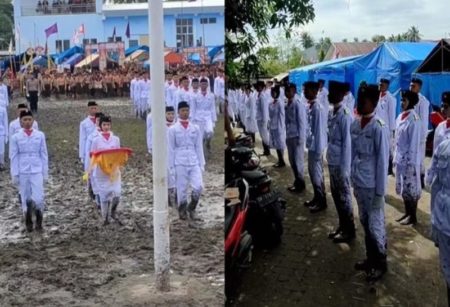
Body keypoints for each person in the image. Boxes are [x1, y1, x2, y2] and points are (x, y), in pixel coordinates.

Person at [351, 84, 389, 282]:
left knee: (376, 225)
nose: (359, 103)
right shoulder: (356, 124)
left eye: (363, 101)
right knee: (365, 222)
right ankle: (370, 258)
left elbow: (383, 161)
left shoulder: (378, 126)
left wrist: (380, 193)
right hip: (360, 181)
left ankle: (381, 262)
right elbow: (353, 153)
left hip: (373, 185)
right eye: (358, 99)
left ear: (373, 103)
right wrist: (351, 176)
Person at [10, 110, 48, 232]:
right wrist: (15, 173)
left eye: (29, 119)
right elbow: (14, 156)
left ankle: (39, 218)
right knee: (25, 197)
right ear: (20, 122)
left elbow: (43, 154)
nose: (27, 122)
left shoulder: (40, 135)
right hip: (23, 170)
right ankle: (28, 219)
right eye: (24, 120)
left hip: (36, 169)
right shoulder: (16, 137)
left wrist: (45, 172)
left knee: (38, 197)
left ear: (33, 120)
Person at [326, 81, 355, 243]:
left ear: (342, 94)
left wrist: (345, 170)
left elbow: (348, 145)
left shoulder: (345, 115)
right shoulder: (332, 112)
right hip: (332, 160)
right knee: (336, 195)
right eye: (330, 92)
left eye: (334, 92)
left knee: (344, 197)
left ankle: (349, 230)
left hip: (341, 164)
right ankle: (342, 225)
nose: (330, 95)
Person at [168, 101, 205, 220]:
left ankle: (192, 208)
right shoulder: (173, 129)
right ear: (178, 112)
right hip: (180, 161)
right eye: (183, 110)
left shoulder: (195, 128)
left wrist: (201, 163)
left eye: (187, 110)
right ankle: (182, 210)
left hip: (194, 160)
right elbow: (171, 149)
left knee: (198, 187)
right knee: (182, 189)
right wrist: (171, 167)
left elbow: (199, 146)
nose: (185, 113)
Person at [426, 138, 450, 306]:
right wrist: (434, 222)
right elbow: (434, 183)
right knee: (448, 272)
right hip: (444, 222)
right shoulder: (444, 146)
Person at [393, 90, 422, 226]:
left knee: (411, 189)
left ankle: (413, 216)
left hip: (410, 161)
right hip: (400, 159)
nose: (401, 103)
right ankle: (407, 212)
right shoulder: (400, 117)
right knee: (404, 188)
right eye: (401, 100)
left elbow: (414, 144)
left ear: (411, 102)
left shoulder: (414, 119)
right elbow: (396, 139)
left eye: (404, 100)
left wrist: (411, 163)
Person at [90, 115, 121, 225]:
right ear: (100, 125)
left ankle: (113, 212)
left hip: (113, 170)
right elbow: (92, 155)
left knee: (117, 193)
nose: (106, 127)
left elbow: (118, 154)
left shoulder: (116, 139)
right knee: (104, 196)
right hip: (101, 171)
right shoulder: (96, 140)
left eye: (108, 124)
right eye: (104, 125)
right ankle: (105, 218)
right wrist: (91, 171)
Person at [303, 81, 328, 213]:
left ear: (314, 91)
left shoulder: (317, 108)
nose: (304, 93)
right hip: (312, 145)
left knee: (317, 174)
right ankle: (316, 197)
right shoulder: (310, 106)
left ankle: (321, 201)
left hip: (316, 147)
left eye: (307, 90)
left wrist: (317, 150)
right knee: (313, 173)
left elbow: (318, 130)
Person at [147, 106, 177, 207]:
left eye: (172, 114)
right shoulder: (160, 126)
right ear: (164, 115)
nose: (171, 116)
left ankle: (176, 195)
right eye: (168, 114)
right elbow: (151, 135)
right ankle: (167, 196)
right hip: (164, 152)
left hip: (176, 153)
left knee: (177, 174)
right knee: (167, 173)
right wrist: (151, 147)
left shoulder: (177, 126)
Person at [284, 83, 306, 192]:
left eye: (289, 90)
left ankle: (300, 184)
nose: (287, 93)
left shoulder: (298, 103)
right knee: (292, 160)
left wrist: (301, 139)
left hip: (297, 136)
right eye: (286, 91)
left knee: (298, 161)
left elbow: (301, 122)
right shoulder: (287, 103)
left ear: (294, 91)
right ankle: (297, 181)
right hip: (289, 135)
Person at [410, 78, 430, 187]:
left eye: (414, 86)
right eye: (410, 85)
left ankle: (421, 179)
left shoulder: (423, 101)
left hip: (419, 136)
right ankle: (413, 178)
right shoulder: (407, 99)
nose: (411, 88)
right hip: (410, 135)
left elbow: (424, 121)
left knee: (420, 159)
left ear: (419, 88)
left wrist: (422, 138)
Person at [192, 78, 217, 160]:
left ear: (207, 85)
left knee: (210, 132)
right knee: (200, 136)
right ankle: (202, 154)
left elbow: (213, 108)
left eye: (205, 84)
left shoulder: (211, 95)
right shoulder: (195, 96)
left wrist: (214, 120)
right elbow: (193, 108)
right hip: (198, 117)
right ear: (200, 85)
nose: (203, 85)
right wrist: (193, 120)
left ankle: (208, 143)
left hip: (208, 116)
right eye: (202, 84)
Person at [377, 78, 396, 176]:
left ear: (387, 86)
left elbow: (392, 115)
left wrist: (392, 130)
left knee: (388, 148)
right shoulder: (377, 96)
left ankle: (389, 168)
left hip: (387, 127)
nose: (380, 86)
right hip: (377, 127)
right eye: (379, 84)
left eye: (382, 85)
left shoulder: (391, 99)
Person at [84, 112, 104, 205]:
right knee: (97, 184)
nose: (99, 123)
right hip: (95, 165)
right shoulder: (91, 137)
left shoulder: (111, 136)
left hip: (106, 165)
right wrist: (88, 168)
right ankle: (98, 201)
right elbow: (88, 153)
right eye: (98, 120)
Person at [268, 85, 286, 167]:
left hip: (278, 126)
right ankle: (280, 160)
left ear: (278, 93)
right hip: (272, 125)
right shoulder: (271, 103)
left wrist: (281, 127)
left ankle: (281, 161)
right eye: (272, 92)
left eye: (274, 92)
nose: (272, 94)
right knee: (276, 144)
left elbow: (282, 116)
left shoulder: (280, 103)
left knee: (279, 144)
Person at [79, 101, 99, 165]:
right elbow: (82, 139)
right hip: (89, 147)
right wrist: (82, 155)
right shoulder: (84, 123)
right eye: (92, 108)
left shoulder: (101, 121)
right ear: (88, 109)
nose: (93, 110)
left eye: (95, 108)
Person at [255, 81, 271, 156]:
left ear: (262, 87)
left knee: (264, 135)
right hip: (259, 118)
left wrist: (265, 121)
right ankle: (265, 150)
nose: (257, 88)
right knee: (262, 135)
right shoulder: (259, 95)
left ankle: (267, 150)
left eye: (259, 86)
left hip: (262, 119)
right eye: (257, 87)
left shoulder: (262, 96)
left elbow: (264, 109)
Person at [0, 104, 7, 170]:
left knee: (1, 150)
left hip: (1, 132)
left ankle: (1, 163)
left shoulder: (2, 109)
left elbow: (5, 122)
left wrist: (6, 135)